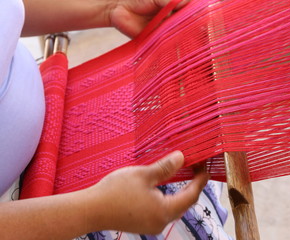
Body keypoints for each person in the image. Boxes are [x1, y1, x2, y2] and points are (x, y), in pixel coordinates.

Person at [0, 0, 233, 240]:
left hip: (56, 108)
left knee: (190, 147)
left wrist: (112, 8)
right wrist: (93, 210)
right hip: (30, 211)